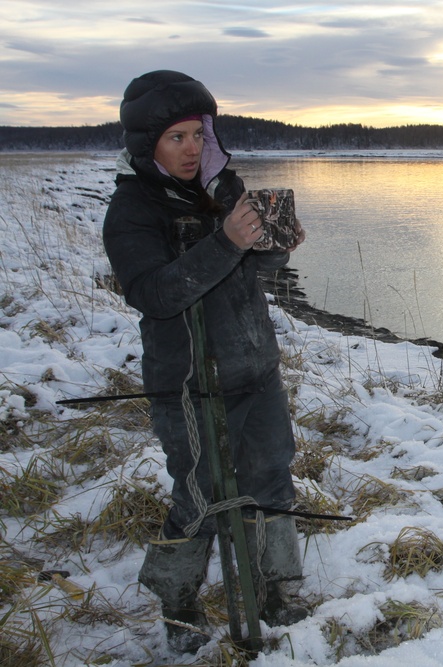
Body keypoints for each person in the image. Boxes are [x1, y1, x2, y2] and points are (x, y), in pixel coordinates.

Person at [102, 70, 307, 653]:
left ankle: (279, 587)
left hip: (254, 366)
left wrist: (273, 247)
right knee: (198, 494)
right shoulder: (133, 208)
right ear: (148, 144)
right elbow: (155, 293)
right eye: (176, 138)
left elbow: (248, 275)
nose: (191, 148)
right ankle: (179, 603)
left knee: (272, 475)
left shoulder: (224, 189)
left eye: (198, 135)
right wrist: (227, 242)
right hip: (189, 382)